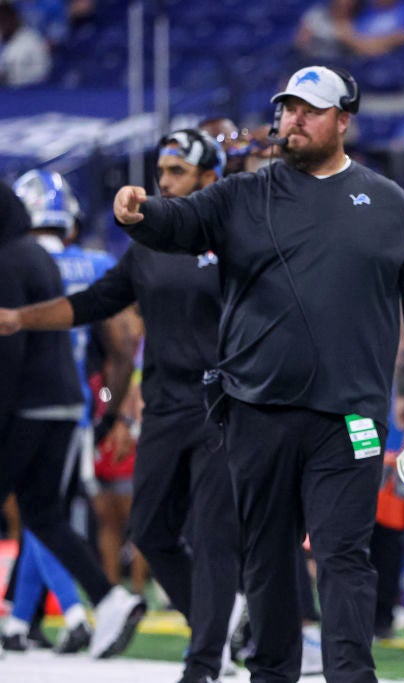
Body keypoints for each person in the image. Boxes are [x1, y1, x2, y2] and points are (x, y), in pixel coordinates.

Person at [110, 66, 404, 682]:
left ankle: (350, 675)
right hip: (257, 410)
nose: (294, 119)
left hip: (351, 416)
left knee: (343, 553)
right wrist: (138, 214)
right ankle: (271, 673)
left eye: (310, 110)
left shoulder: (385, 202)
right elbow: (180, 224)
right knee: (267, 558)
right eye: (288, 109)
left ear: (342, 121)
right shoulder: (243, 195)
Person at [0, 130, 241, 683]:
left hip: (222, 406)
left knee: (211, 534)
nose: (164, 180)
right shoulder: (148, 244)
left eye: (178, 171)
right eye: (162, 169)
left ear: (209, 178)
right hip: (162, 406)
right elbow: (96, 303)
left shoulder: (234, 239)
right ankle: (215, 628)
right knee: (151, 533)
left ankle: (208, 656)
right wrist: (22, 318)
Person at [0, 180, 146, 660]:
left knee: (53, 515)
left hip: (28, 401)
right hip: (79, 404)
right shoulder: (84, 262)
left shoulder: (12, 259)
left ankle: (68, 614)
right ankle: (51, 613)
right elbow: (118, 353)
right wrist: (109, 408)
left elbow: (11, 342)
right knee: (46, 514)